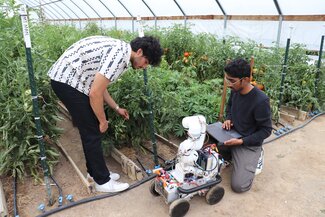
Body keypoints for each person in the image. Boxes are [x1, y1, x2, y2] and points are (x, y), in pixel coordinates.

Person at [48, 35, 163, 193]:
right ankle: (102, 181)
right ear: (139, 52)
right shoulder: (118, 57)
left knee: (91, 129)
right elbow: (95, 93)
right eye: (146, 62)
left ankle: (94, 173)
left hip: (72, 80)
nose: (144, 67)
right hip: (67, 81)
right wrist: (103, 121)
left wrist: (116, 108)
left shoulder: (121, 52)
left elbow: (100, 87)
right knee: (92, 130)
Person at [220, 58, 272, 193]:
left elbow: (266, 130)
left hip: (248, 142)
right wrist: (229, 119)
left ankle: (257, 156)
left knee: (239, 186)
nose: (228, 84)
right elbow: (230, 107)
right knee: (205, 147)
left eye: (232, 80)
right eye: (227, 79)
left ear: (245, 79)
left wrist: (241, 141)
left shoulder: (261, 101)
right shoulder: (235, 90)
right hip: (232, 133)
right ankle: (233, 154)